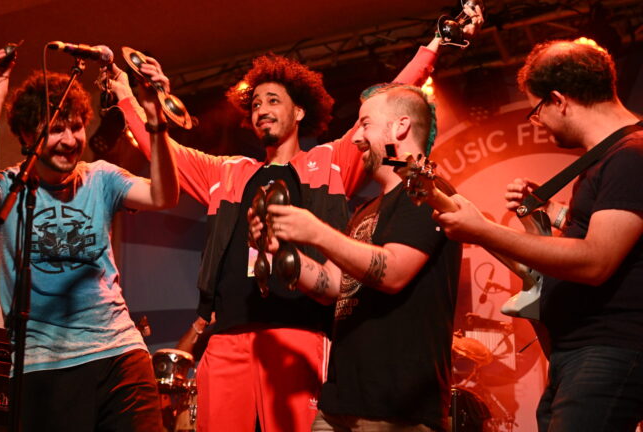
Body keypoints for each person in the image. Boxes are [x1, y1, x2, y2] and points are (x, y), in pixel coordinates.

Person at [100, 27, 474, 431]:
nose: (261, 109)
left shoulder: (329, 161)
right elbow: (161, 149)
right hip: (228, 338)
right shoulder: (225, 172)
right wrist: (124, 93)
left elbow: (391, 105)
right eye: (256, 103)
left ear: (299, 112)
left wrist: (433, 48)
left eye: (273, 100)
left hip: (301, 333)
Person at [0, 48, 179, 432]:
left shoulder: (101, 177)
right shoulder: (10, 189)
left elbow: (164, 196)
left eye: (76, 126)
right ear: (28, 135)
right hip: (43, 365)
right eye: (55, 128)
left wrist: (155, 118)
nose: (69, 139)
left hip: (118, 352)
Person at [433, 39, 643, 431]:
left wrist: (483, 231)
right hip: (583, 352)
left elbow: (597, 260)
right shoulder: (611, 160)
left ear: (559, 100)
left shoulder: (630, 155)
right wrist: (553, 214)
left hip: (609, 351)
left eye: (536, 109)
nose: (538, 121)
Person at [252, 83, 461, 431]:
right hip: (339, 405)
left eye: (365, 124)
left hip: (396, 412)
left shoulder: (429, 192)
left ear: (400, 127)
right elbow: (333, 285)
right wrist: (280, 249)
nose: (356, 138)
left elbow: (393, 272)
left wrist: (316, 231)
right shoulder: (365, 210)